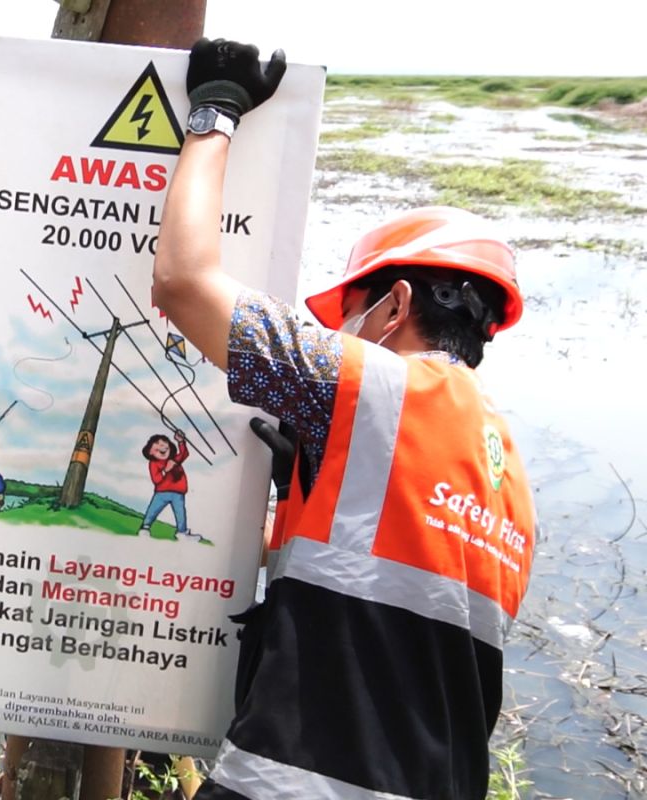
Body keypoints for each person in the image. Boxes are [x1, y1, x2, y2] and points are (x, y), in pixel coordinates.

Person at [151, 38, 536, 800]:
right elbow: (375, 588)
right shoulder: (508, 477)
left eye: (350, 313)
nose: (341, 332)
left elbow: (183, 282)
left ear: (392, 307)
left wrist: (216, 110)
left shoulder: (367, 383)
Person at [138, 429, 200, 542]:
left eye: (165, 446)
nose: (162, 448)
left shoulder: (174, 459)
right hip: (162, 492)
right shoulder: (154, 463)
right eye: (157, 448)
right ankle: (145, 528)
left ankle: (182, 533)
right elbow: (156, 479)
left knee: (180, 513)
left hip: (178, 492)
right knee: (153, 510)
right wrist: (165, 470)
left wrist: (181, 442)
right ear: (150, 452)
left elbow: (184, 454)